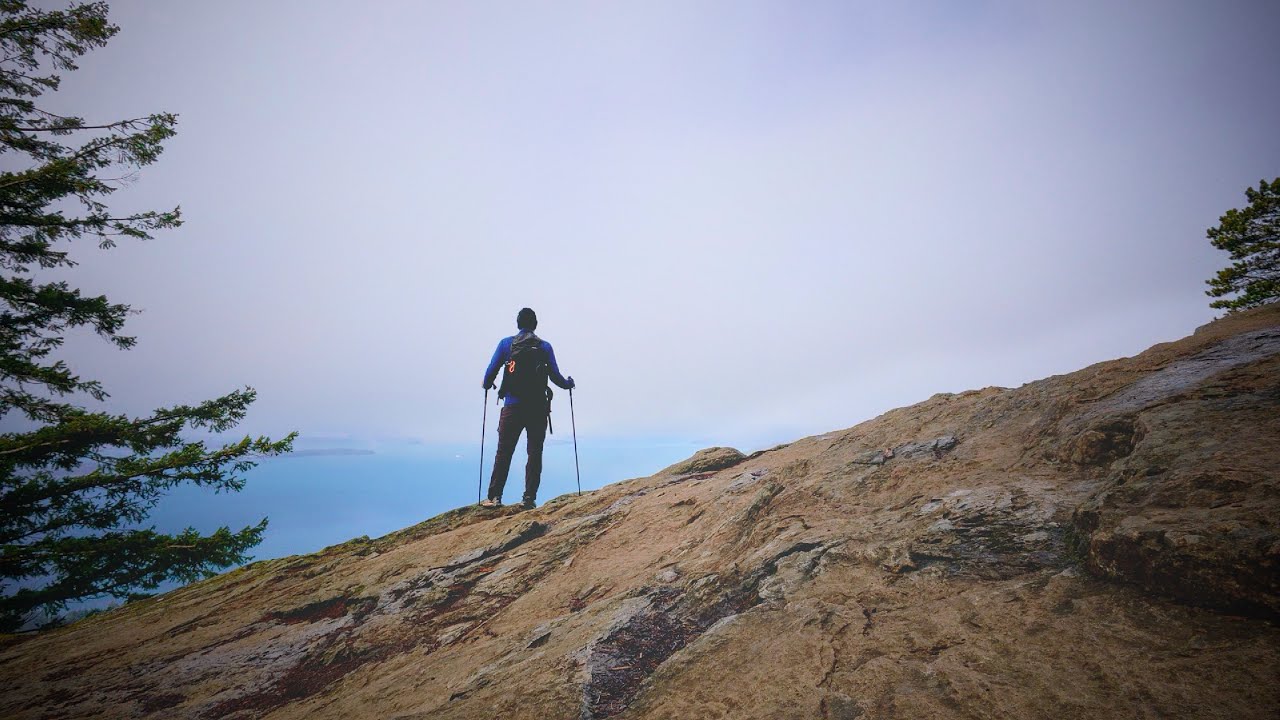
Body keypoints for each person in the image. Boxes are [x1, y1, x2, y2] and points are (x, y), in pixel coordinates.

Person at [481, 307, 574, 509]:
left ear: (517, 323)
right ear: (535, 324)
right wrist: (568, 384)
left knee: (504, 452)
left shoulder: (506, 344)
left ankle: (495, 497)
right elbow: (556, 377)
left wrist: (487, 384)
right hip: (537, 408)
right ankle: (529, 498)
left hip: (512, 407)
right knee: (534, 453)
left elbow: (491, 371)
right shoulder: (545, 347)